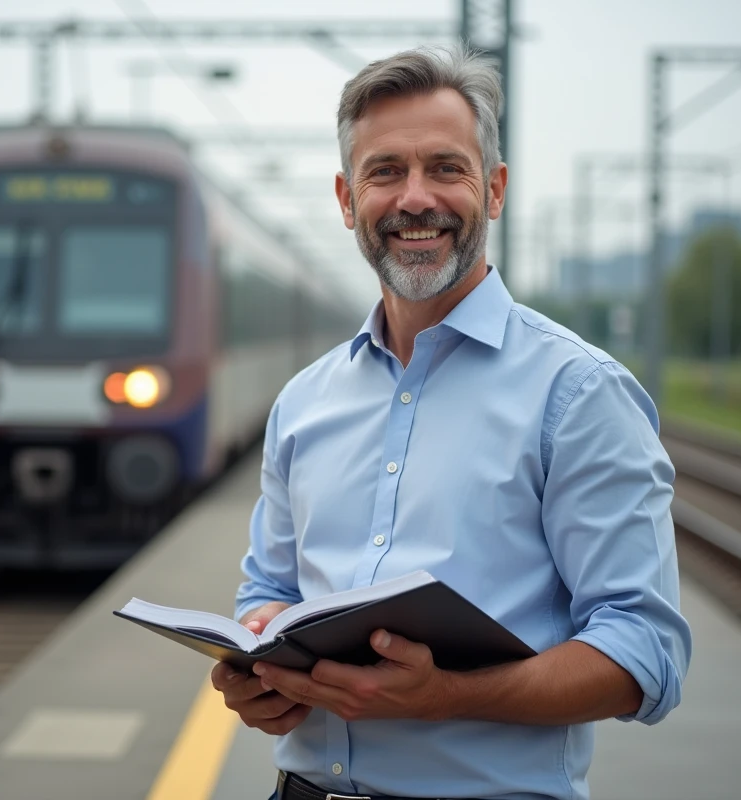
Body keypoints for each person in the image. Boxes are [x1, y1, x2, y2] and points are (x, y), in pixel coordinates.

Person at [209, 43, 693, 800]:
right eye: (384, 172)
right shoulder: (303, 402)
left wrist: (451, 697)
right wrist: (261, 676)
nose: (415, 198)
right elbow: (266, 591)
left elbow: (645, 653)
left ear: (493, 190)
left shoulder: (578, 394)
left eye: (445, 168)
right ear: (345, 199)